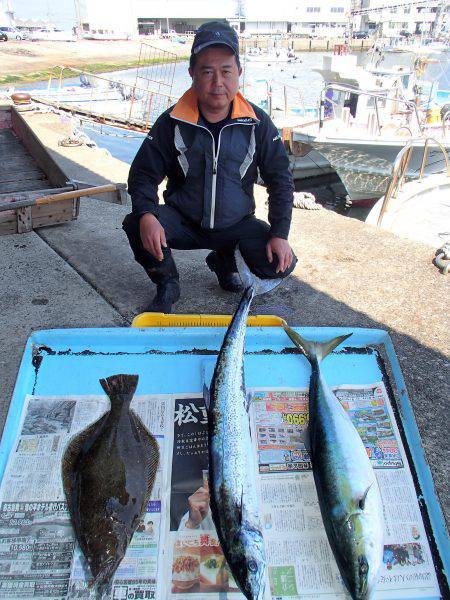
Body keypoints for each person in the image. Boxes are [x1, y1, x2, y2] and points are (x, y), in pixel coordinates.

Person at [123, 21, 297, 313]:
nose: (218, 81)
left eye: (226, 71)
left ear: (239, 73)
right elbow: (142, 174)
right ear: (192, 74)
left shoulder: (258, 123)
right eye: (207, 71)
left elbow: (281, 180)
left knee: (282, 263)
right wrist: (147, 214)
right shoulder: (171, 121)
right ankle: (168, 283)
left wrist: (280, 233)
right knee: (136, 222)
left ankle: (223, 260)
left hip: (237, 225)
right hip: (183, 221)